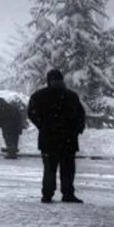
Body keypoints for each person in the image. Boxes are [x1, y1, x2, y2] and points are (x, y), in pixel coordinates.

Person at [27, 69, 87, 203]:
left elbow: (31, 113)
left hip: (48, 139)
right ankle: (68, 194)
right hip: (68, 140)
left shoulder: (39, 96)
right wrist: (77, 129)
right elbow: (81, 115)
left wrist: (42, 125)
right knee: (67, 169)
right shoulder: (71, 96)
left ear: (48, 81)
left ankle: (47, 194)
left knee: (49, 169)